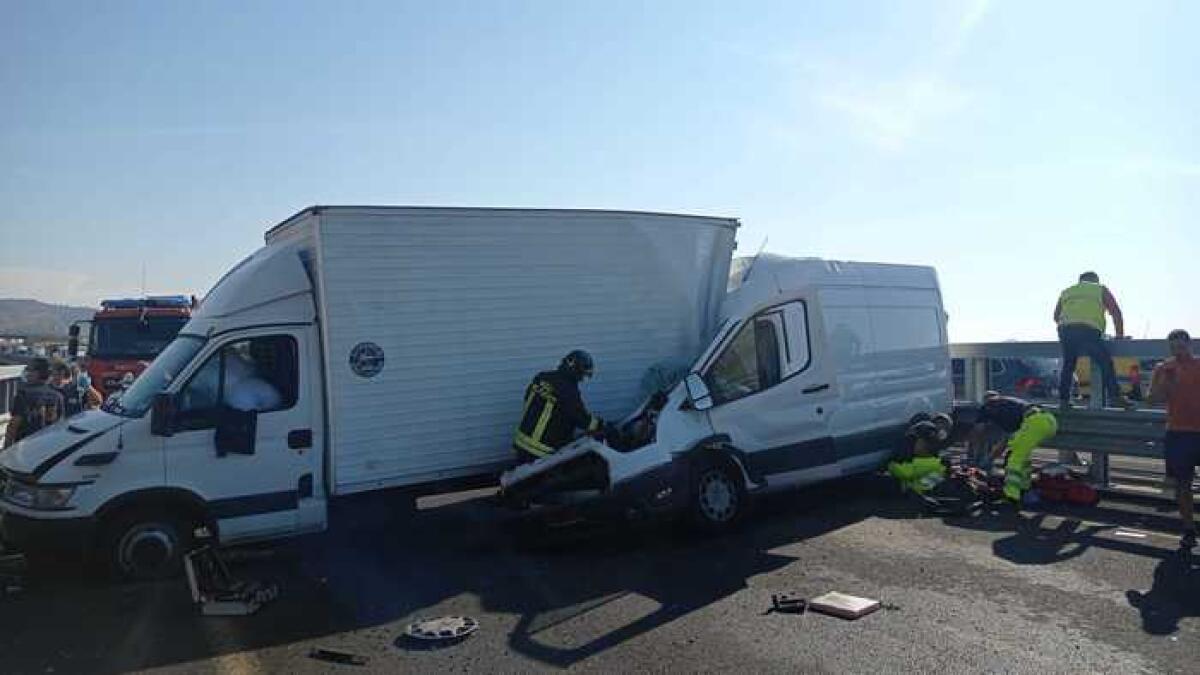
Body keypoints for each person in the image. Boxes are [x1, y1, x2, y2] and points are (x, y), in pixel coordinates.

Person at [1149, 329, 1200, 549]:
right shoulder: (1163, 368)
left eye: (1181, 346)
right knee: (1182, 484)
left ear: (1190, 345)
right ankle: (1189, 528)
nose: (1178, 351)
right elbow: (1152, 399)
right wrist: (1167, 383)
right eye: (1173, 347)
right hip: (1178, 432)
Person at [963, 392, 1058, 505]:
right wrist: (990, 459)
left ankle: (1011, 495)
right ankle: (1024, 488)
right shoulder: (1011, 404)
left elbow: (980, 431)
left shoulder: (990, 407)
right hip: (1050, 421)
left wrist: (979, 458)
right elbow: (1005, 442)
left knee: (1013, 459)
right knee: (1022, 457)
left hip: (1035, 422)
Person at [1054, 271, 1130, 409]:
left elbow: (1055, 316)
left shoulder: (1067, 291)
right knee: (1105, 362)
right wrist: (1119, 336)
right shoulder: (1100, 289)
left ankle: (1063, 400)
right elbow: (1115, 313)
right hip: (1088, 330)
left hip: (1066, 330)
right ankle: (1115, 397)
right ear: (1095, 280)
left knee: (1068, 365)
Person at [513, 350, 603, 462]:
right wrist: (600, 425)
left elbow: (528, 398)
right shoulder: (569, 391)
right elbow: (580, 418)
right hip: (542, 450)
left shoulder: (541, 378)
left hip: (521, 440)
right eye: (582, 374)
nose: (582, 379)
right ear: (575, 370)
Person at [3, 358, 65, 449]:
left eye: (29, 370)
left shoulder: (23, 395)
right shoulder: (58, 396)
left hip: (25, 447)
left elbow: (13, 426)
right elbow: (60, 425)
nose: (27, 373)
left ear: (37, 373)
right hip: (46, 448)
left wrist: (6, 449)